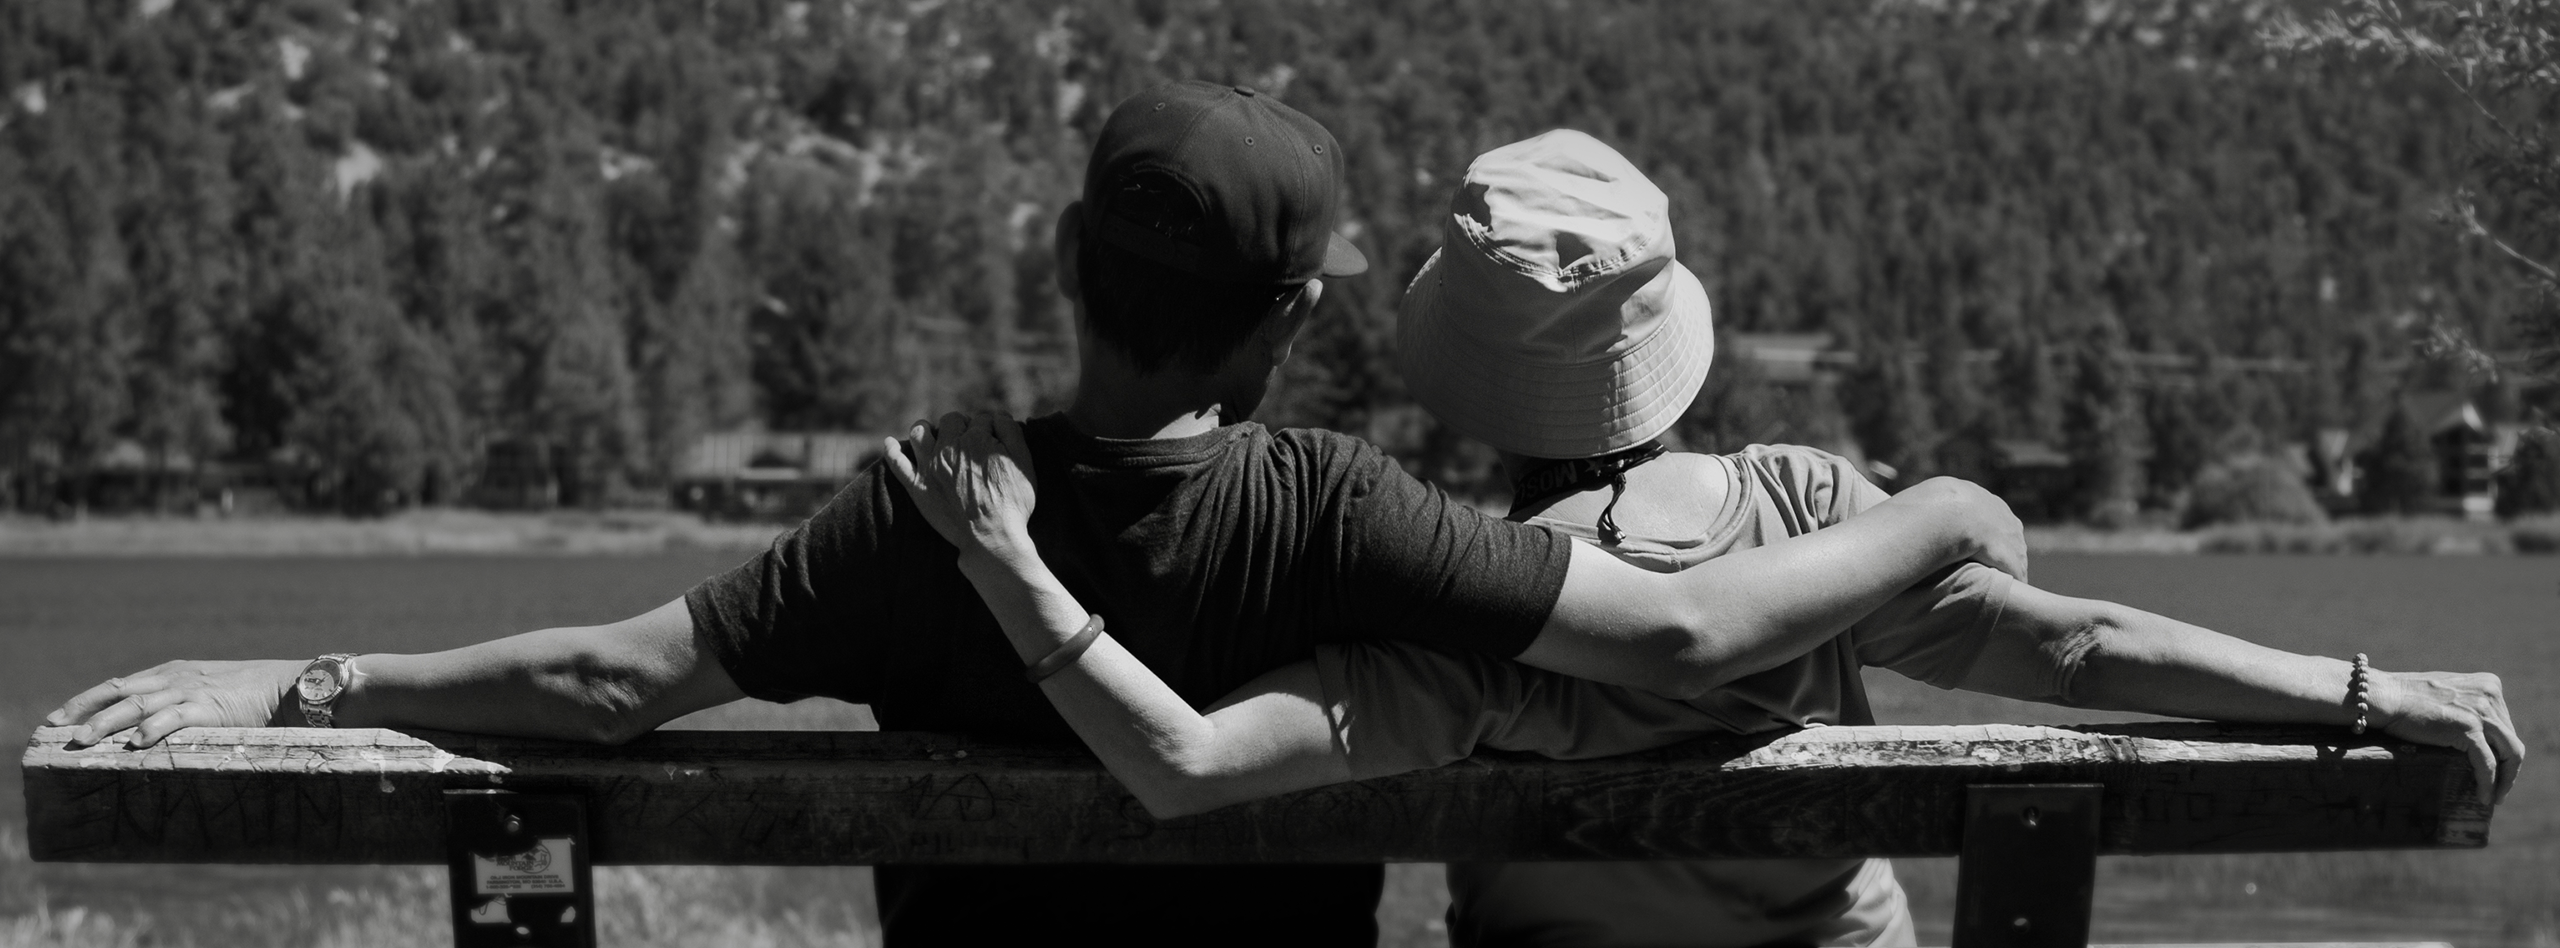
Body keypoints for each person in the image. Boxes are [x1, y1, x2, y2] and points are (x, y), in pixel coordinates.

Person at [42, 83, 2033, 946]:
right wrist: (1940, 506)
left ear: (1069, 268)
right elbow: (1673, 632)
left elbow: (600, 683)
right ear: (1290, 320)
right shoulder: (1341, 513)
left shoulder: (921, 513)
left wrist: (310, 682)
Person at [884, 130, 2525, 947]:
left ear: (1473, 374)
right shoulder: (1812, 514)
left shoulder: (1444, 599)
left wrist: (1009, 561)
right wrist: (2365, 691)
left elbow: (1189, 757)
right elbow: (2081, 647)